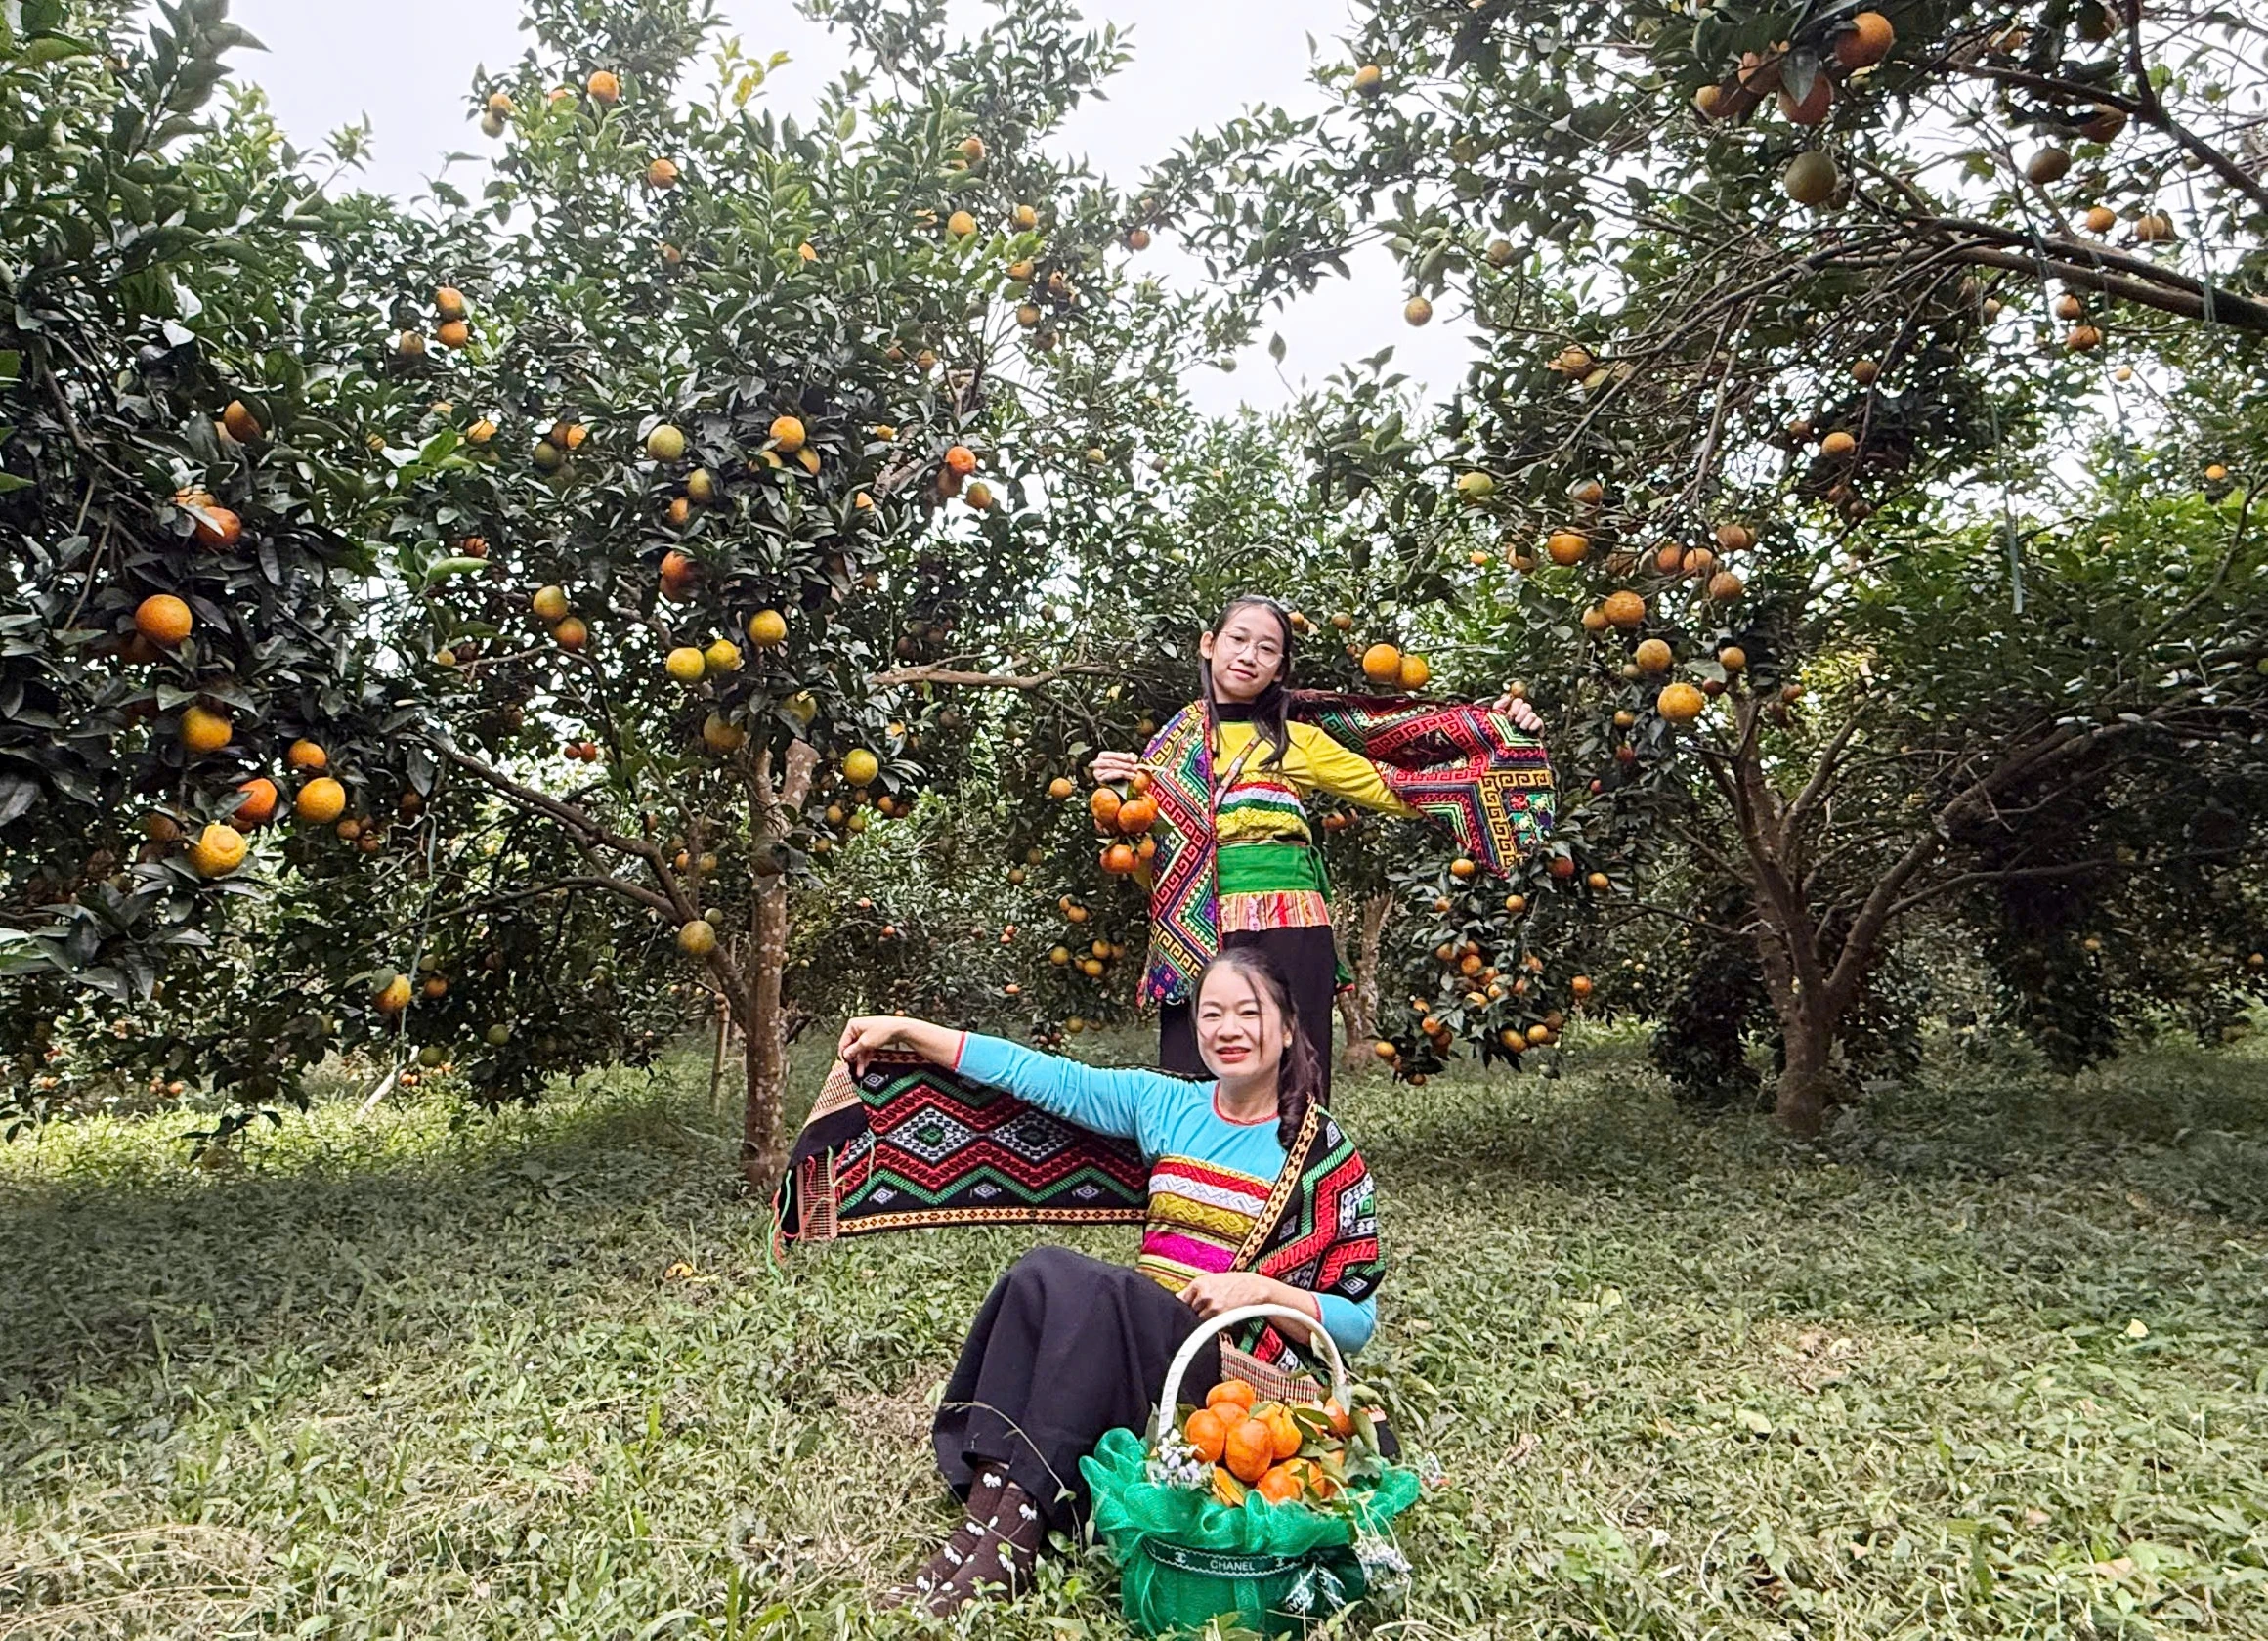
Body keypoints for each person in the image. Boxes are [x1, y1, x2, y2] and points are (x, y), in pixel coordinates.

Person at [834, 947, 1385, 1616]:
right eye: (1211, 1013)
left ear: (1289, 1026)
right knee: (1041, 1275)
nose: (1228, 1029)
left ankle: (1009, 1532)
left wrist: (1258, 1290)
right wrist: (910, 1030)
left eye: (1249, 1012)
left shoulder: (1323, 1153)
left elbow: (1355, 1321)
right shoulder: (1165, 1104)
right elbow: (1039, 1076)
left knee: (1094, 1288)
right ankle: (991, 1518)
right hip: (1137, 1348)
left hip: (1228, 1378)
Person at [1091, 595, 1552, 1083]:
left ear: (1280, 669)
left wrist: (1504, 734)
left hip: (1291, 929)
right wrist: (1116, 805)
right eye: (1238, 640)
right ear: (1209, 645)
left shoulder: (1298, 740)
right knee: (1192, 1085)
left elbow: (1401, 787)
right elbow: (1153, 871)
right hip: (1199, 941)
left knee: (1292, 1084)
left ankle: (1297, 1162)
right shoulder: (1170, 746)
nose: (1249, 656)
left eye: (1267, 649)